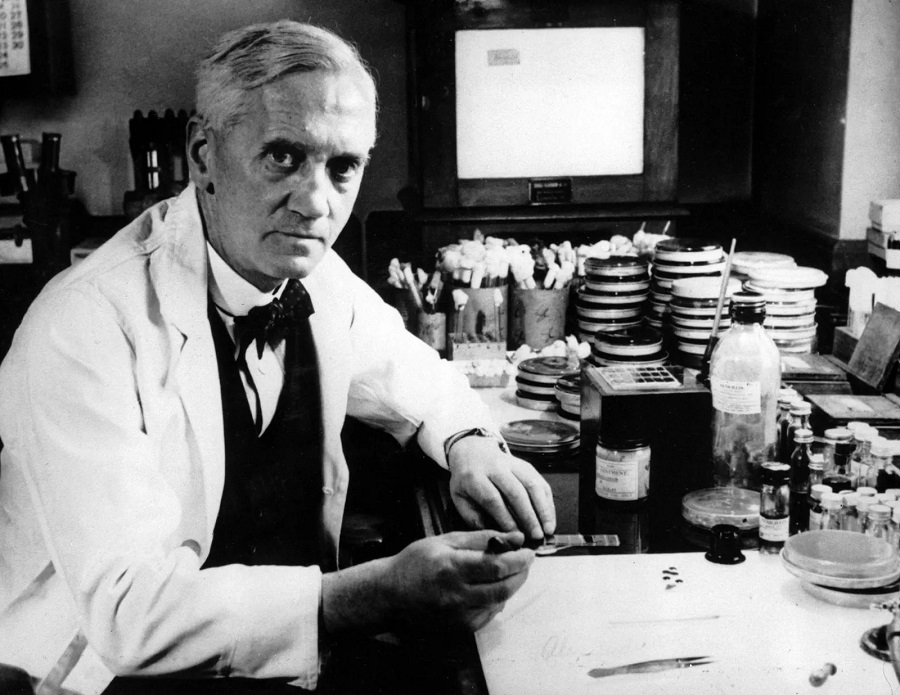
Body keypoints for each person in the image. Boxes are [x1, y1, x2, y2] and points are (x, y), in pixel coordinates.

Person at [0, 20, 556, 694]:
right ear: (202, 155)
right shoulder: (83, 324)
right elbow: (129, 616)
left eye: (342, 167)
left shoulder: (311, 274)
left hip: (270, 661)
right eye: (283, 157)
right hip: (86, 674)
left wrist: (473, 446)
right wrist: (377, 592)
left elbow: (413, 373)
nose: (316, 202)